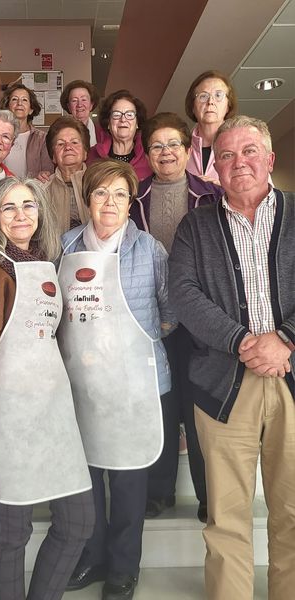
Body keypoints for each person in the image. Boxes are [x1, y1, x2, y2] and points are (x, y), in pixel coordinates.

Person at [169, 115, 295, 600]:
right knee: (226, 516)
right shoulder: (195, 226)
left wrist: (284, 337)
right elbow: (182, 292)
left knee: (290, 510)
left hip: (291, 377)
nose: (238, 162)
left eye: (248, 151)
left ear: (269, 158)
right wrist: (243, 341)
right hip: (222, 382)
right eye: (226, 155)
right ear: (214, 167)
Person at [0, 177, 94, 600]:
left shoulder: (47, 266)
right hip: (5, 419)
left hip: (53, 417)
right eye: (9, 207)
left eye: (28, 205)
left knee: (78, 522)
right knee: (9, 534)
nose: (20, 215)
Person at [59, 160, 175, 600]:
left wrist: (132, 347)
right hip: (82, 384)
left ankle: (124, 568)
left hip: (135, 385)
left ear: (131, 202)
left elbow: (171, 313)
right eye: (101, 193)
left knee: (128, 481)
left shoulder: (150, 250)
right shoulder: (67, 246)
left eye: (120, 194)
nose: (110, 203)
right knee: (87, 479)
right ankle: (93, 557)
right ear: (88, 199)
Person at [130, 112, 223, 522]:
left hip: (201, 316)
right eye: (156, 146)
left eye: (173, 145)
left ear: (189, 150)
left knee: (199, 406)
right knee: (161, 404)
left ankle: (208, 495)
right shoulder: (134, 200)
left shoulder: (211, 197)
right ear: (146, 153)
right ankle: (158, 490)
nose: (165, 153)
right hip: (152, 317)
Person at [184, 70, 237, 185]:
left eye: (218, 95)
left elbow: (264, 194)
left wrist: (224, 189)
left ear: (228, 106)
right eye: (203, 96)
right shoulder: (181, 148)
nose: (210, 102)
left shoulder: (243, 141)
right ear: (193, 106)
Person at [87, 89, 150, 181]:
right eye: (116, 114)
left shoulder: (149, 156)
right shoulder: (92, 155)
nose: (123, 119)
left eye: (129, 114)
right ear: (108, 123)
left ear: (137, 123)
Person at [44, 115, 90, 234]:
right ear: (53, 156)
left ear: (85, 153)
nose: (68, 147)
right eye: (60, 144)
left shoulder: (100, 184)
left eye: (74, 142)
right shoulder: (42, 189)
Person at [0, 83, 54, 181]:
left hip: (31, 192)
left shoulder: (42, 139)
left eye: (24, 100)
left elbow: (48, 171)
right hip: (2, 192)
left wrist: (43, 175)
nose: (19, 103)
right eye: (14, 99)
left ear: (31, 110)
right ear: (7, 107)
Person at [60, 79, 101, 146]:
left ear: (91, 105)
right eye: (74, 100)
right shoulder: (60, 133)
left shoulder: (102, 133)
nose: (79, 104)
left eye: (84, 99)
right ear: (69, 107)